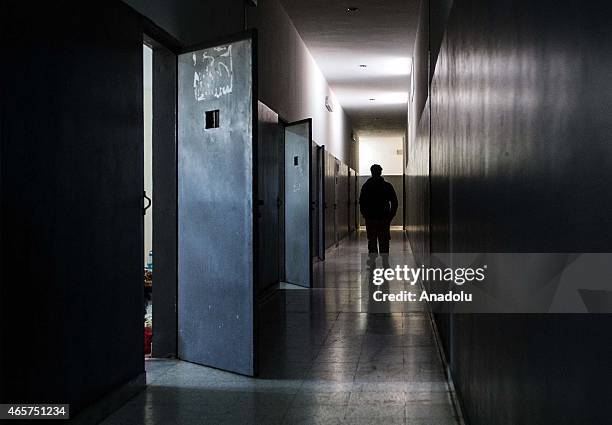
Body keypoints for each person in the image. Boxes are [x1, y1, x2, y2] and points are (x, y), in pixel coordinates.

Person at [359, 164, 398, 254]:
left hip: (371, 218)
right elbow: (394, 202)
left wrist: (365, 215)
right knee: (384, 242)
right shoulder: (387, 186)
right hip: (384, 218)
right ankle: (384, 264)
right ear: (380, 172)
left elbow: (362, 202)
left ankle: (372, 264)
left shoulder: (366, 186)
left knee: (372, 241)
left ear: (371, 172)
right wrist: (390, 216)